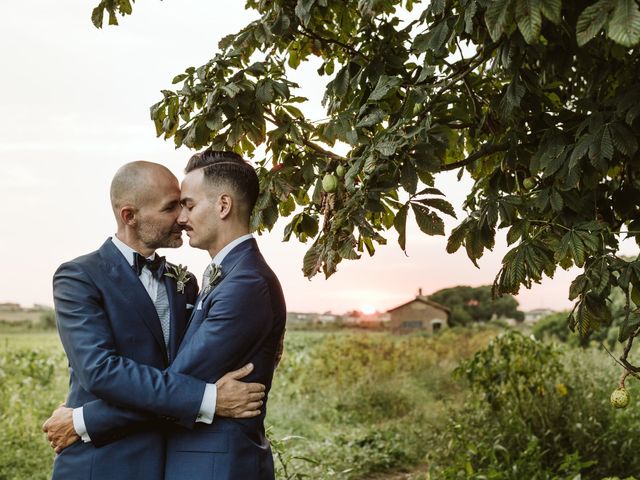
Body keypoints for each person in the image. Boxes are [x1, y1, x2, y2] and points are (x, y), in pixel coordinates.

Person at [44, 152, 286, 479]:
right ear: (130, 215)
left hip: (169, 459)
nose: (181, 218)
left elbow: (185, 372)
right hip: (102, 461)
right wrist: (209, 398)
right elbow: (101, 371)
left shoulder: (183, 283)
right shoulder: (79, 277)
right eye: (171, 207)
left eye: (185, 205)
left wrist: (82, 419)